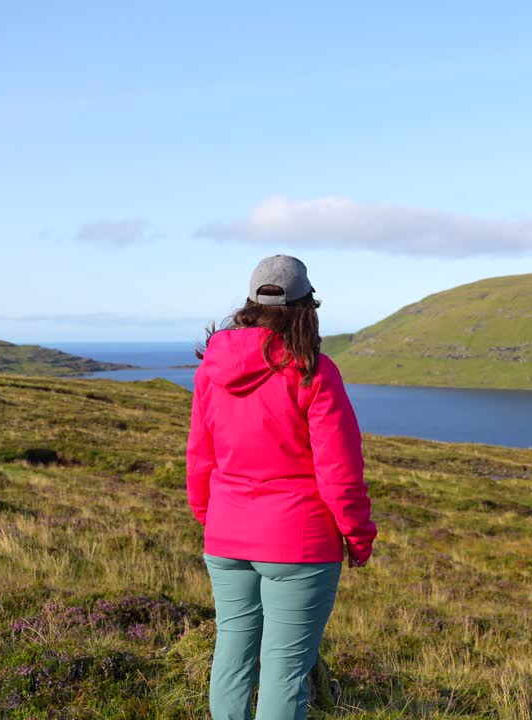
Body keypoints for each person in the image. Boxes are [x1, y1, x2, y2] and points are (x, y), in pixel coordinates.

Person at [186, 254, 378, 720]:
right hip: (300, 542)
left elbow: (200, 456)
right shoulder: (314, 370)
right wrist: (357, 535)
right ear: (306, 307)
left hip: (227, 537)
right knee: (286, 669)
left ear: (249, 305)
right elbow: (339, 471)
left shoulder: (213, 369)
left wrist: (211, 518)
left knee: (231, 656)